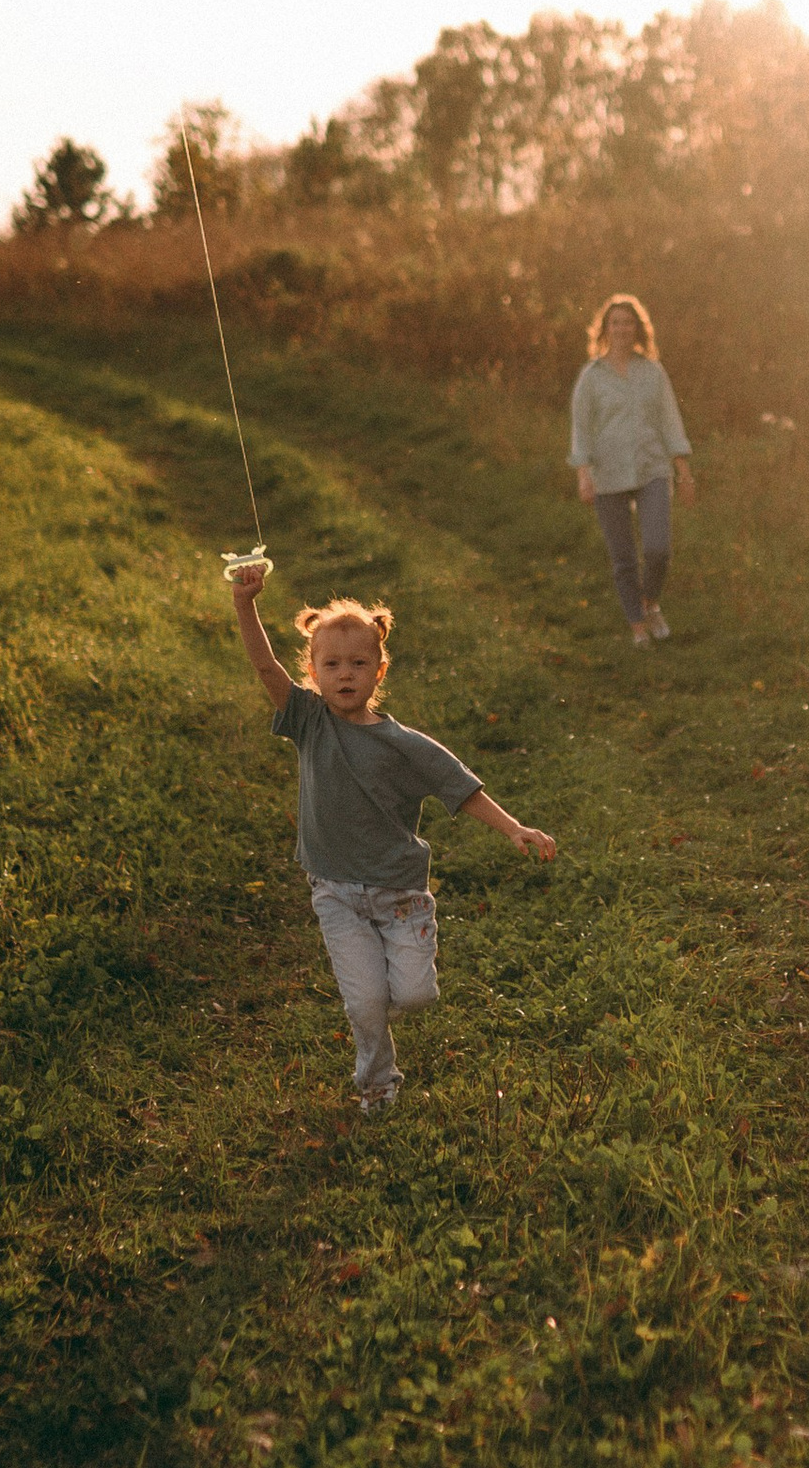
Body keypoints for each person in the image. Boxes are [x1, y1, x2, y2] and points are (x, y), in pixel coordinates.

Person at [228, 567, 554, 1112]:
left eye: (359, 663)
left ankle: (387, 994)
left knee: (415, 996)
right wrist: (245, 605)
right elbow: (263, 664)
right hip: (335, 892)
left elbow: (461, 788)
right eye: (331, 664)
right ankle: (378, 1084)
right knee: (365, 1004)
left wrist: (513, 828)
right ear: (312, 671)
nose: (345, 674)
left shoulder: (405, 745)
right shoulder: (308, 721)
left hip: (400, 894)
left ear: (380, 671)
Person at [569, 291, 695, 645]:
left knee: (658, 549)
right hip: (607, 475)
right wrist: (583, 474)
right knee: (623, 556)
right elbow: (581, 429)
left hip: (652, 468)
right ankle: (637, 626)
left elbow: (671, 422)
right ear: (606, 329)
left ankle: (650, 602)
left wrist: (684, 472)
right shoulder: (591, 377)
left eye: (628, 323)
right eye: (616, 323)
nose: (622, 329)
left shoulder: (652, 372)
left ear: (638, 329)